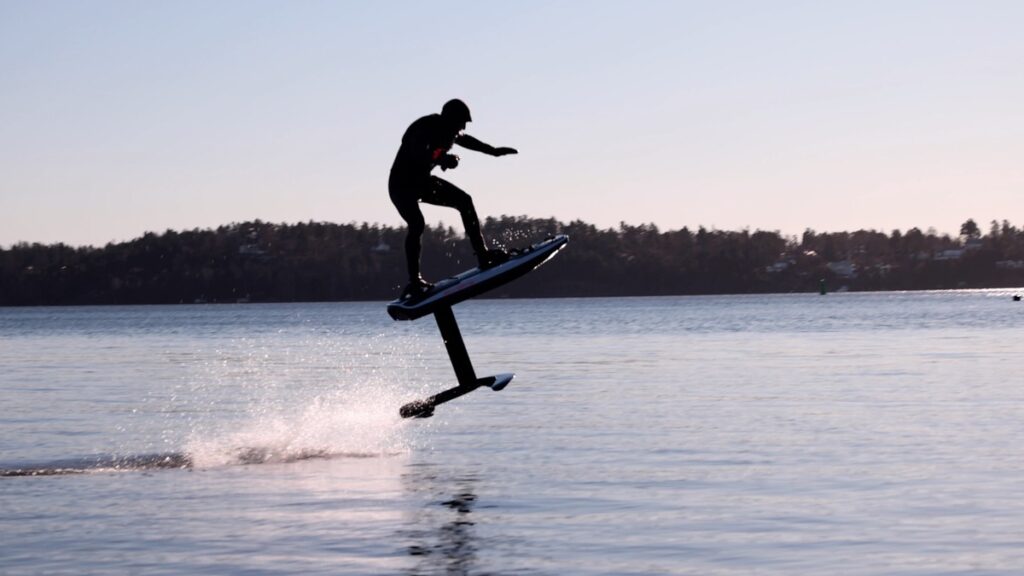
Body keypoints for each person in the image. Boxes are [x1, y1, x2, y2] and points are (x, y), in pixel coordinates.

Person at [389, 99, 518, 297]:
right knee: (417, 224)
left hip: (423, 183)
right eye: (461, 123)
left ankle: (483, 255)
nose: (463, 128)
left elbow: (467, 140)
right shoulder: (425, 127)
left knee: (464, 201)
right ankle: (414, 282)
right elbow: (417, 153)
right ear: (450, 119)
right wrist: (443, 159)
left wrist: (493, 151)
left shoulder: (451, 131)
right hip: (401, 186)